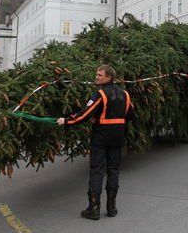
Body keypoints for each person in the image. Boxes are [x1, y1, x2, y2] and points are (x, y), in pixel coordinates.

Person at [57, 65, 135, 220]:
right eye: (97, 74)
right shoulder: (125, 94)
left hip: (101, 137)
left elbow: (84, 114)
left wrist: (66, 121)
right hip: (117, 137)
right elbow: (130, 115)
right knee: (113, 171)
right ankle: (111, 207)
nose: (96, 77)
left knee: (97, 170)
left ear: (109, 77)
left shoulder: (100, 94)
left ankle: (94, 208)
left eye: (100, 75)